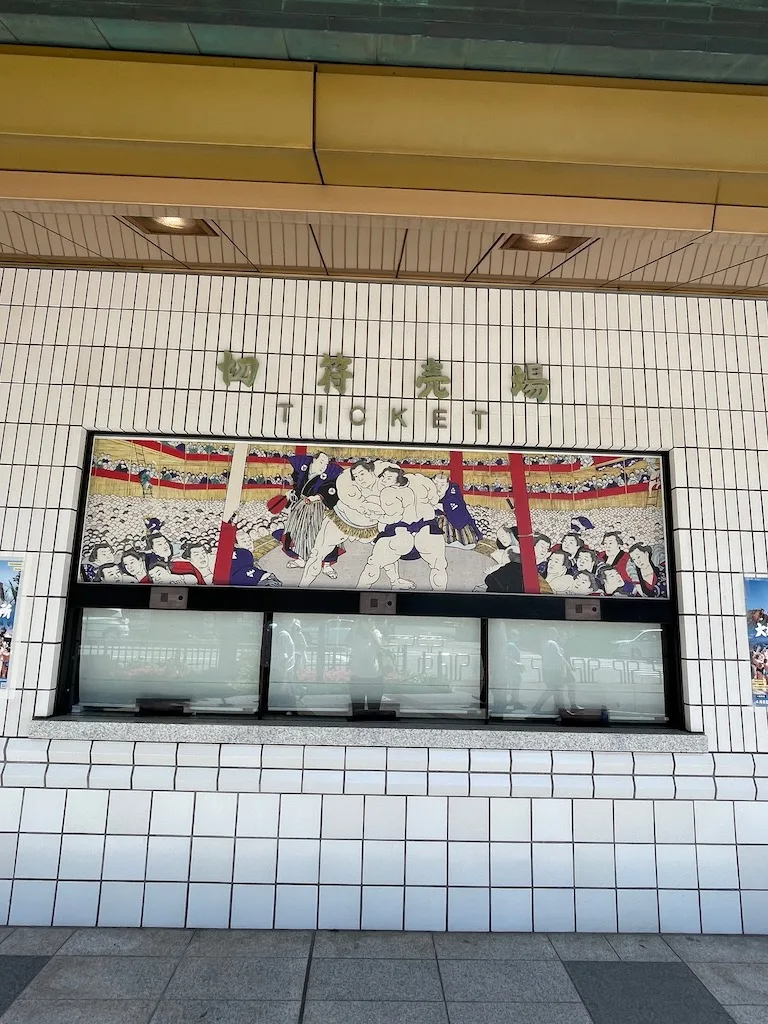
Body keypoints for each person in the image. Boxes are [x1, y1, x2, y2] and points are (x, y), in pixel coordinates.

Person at [357, 467, 448, 591]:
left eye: (388, 477)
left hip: (400, 535)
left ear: (398, 479)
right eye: (383, 476)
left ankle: (356, 596)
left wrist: (375, 515)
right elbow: (434, 499)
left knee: (374, 564)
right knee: (439, 566)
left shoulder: (388, 492)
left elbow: (393, 516)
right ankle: (441, 600)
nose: (383, 480)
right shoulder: (422, 481)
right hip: (427, 531)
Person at [300, 460, 386, 588]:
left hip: (369, 527)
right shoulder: (346, 482)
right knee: (317, 553)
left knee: (384, 555)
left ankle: (385, 584)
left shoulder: (386, 484)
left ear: (371, 471)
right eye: (356, 476)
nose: (359, 478)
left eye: (362, 474)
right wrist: (314, 498)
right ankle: (302, 587)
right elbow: (329, 491)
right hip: (342, 519)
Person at [276, 452, 344, 577]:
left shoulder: (329, 475)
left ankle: (327, 564)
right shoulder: (304, 468)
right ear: (314, 460)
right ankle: (301, 559)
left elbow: (331, 491)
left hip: (320, 507)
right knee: (298, 533)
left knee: (324, 534)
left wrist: (316, 498)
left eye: (326, 463)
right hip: (301, 506)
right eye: (321, 462)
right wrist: (294, 494)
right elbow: (297, 484)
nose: (324, 465)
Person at [531, 627, 578, 715]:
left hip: (548, 671)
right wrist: (568, 666)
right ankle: (561, 710)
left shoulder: (545, 643)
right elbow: (559, 656)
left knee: (552, 690)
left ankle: (553, 708)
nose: (557, 636)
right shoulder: (552, 643)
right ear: (552, 634)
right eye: (555, 634)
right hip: (554, 671)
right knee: (556, 690)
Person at [347, 618, 388, 715]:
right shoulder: (355, 633)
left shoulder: (375, 633)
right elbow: (348, 642)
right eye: (366, 620)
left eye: (371, 620)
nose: (369, 622)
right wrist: (356, 626)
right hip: (358, 676)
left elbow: (380, 647)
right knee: (357, 710)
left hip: (375, 676)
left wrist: (370, 631)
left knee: (374, 710)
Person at [432, 474, 483, 547]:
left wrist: (437, 505)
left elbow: (458, 520)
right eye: (436, 484)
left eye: (442, 485)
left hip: (458, 528)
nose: (438, 488)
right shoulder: (429, 490)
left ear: (447, 485)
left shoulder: (453, 493)